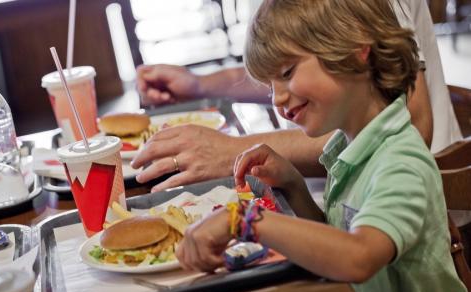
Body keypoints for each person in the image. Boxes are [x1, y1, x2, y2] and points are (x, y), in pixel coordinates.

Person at [174, 0, 467, 292]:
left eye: (287, 73)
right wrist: (293, 185)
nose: (276, 99)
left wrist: (242, 219)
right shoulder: (348, 145)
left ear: (356, 48)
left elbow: (359, 257)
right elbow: (335, 244)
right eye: (271, 85)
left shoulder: (400, 161)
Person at [133, 0, 463, 193]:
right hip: (337, 194)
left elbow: (414, 122)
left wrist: (234, 152)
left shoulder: (396, 161)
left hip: (415, 203)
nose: (277, 99)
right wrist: (202, 83)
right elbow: (300, 68)